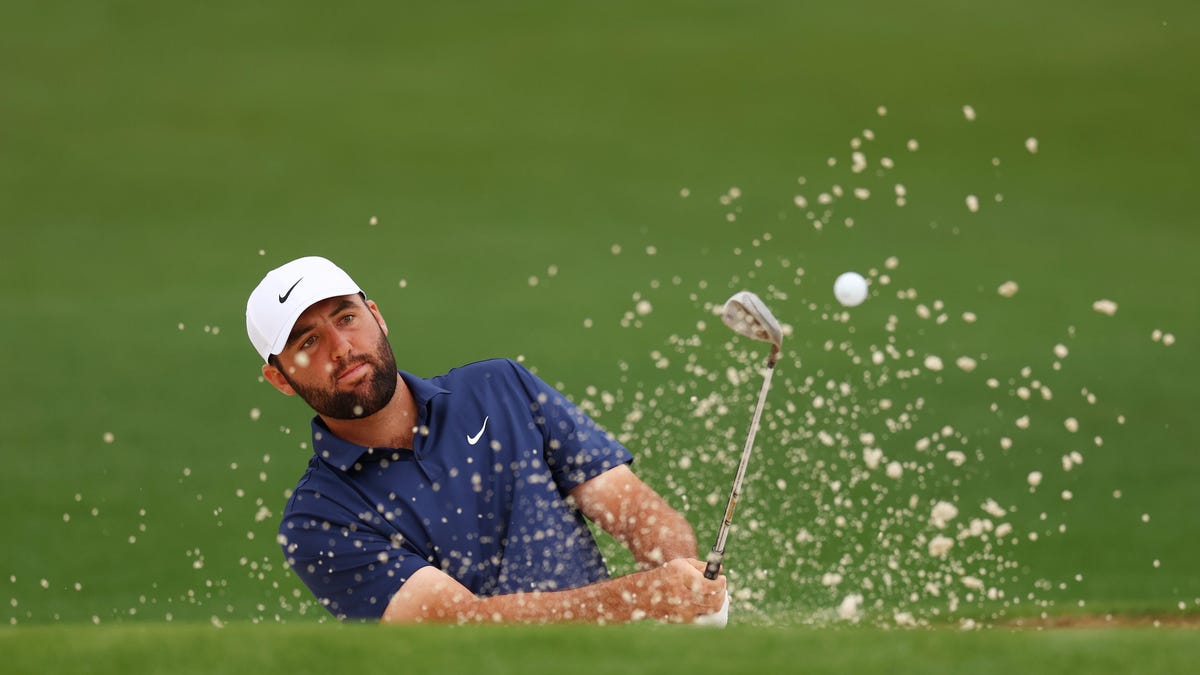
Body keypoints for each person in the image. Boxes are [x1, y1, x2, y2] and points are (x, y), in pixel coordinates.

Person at [245, 256, 728, 624]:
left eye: (346, 318)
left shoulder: (499, 387)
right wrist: (639, 598)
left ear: (376, 315)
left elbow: (634, 511)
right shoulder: (320, 520)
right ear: (281, 379)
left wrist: (681, 577)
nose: (342, 347)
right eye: (308, 342)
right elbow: (464, 624)